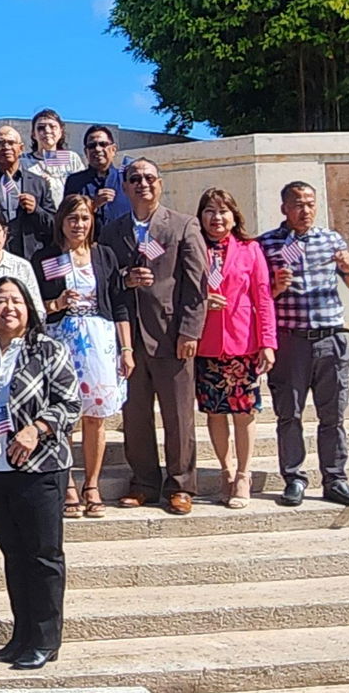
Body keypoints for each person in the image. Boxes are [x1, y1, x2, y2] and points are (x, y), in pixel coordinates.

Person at [0, 276, 81, 670]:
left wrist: (37, 429)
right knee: (13, 554)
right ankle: (23, 633)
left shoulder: (48, 348)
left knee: (43, 555)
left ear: (29, 307)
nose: (7, 308)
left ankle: (46, 639)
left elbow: (70, 403)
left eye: (15, 300)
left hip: (41, 467)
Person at [107, 159, 208, 515]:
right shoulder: (112, 230)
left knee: (178, 417)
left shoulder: (183, 226)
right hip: (128, 340)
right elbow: (105, 280)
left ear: (160, 184)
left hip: (171, 336)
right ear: (125, 187)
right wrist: (125, 278)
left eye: (149, 178)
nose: (142, 184)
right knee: (134, 418)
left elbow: (197, 286)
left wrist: (190, 330)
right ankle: (145, 483)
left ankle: (181, 484)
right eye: (135, 179)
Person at [260, 181, 349, 508]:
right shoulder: (267, 244)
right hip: (291, 340)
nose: (304, 210)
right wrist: (276, 288)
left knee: (332, 414)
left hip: (330, 338)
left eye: (309, 204)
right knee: (289, 414)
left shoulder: (331, 239)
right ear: (284, 209)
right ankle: (294, 477)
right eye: (297, 204)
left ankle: (335, 479)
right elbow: (259, 299)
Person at [33, 195, 130, 518]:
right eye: (72, 218)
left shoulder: (104, 255)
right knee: (63, 416)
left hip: (99, 340)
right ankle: (68, 483)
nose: (79, 224)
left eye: (85, 218)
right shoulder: (47, 256)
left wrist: (126, 348)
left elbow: (118, 303)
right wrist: (57, 304)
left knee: (95, 416)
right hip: (61, 339)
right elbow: (35, 306)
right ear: (61, 221)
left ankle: (92, 483)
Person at [196, 187, 276, 509]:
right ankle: (226, 470)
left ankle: (244, 473)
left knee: (243, 412)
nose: (217, 218)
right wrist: (203, 300)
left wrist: (268, 342)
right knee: (215, 412)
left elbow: (263, 297)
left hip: (242, 343)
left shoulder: (249, 249)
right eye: (210, 211)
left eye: (223, 211)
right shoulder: (194, 247)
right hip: (206, 344)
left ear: (234, 216)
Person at [0, 126, 56, 260]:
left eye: (11, 143)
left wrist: (36, 209)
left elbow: (53, 225)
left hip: (31, 257)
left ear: (21, 148)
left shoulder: (39, 183)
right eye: (0, 143)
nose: (6, 147)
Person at [64, 124, 130, 234]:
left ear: (113, 149)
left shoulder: (127, 179)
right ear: (86, 152)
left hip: (122, 246)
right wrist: (93, 205)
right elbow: (67, 217)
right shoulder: (74, 182)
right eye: (92, 146)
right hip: (89, 247)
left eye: (103, 144)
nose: (97, 149)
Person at [23, 109, 85, 206]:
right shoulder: (23, 161)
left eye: (52, 127)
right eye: (41, 128)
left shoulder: (71, 158)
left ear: (60, 132)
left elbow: (82, 189)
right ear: (33, 134)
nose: (47, 131)